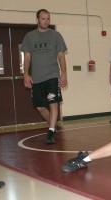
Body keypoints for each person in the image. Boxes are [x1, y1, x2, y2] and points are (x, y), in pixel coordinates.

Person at [21, 9, 68, 144]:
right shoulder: (29, 37)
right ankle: (52, 125)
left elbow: (61, 56)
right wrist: (26, 74)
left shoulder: (56, 35)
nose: (46, 21)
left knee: (53, 103)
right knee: (40, 107)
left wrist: (63, 73)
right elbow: (27, 57)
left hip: (52, 75)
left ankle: (51, 132)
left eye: (48, 19)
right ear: (37, 20)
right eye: (43, 19)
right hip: (37, 77)